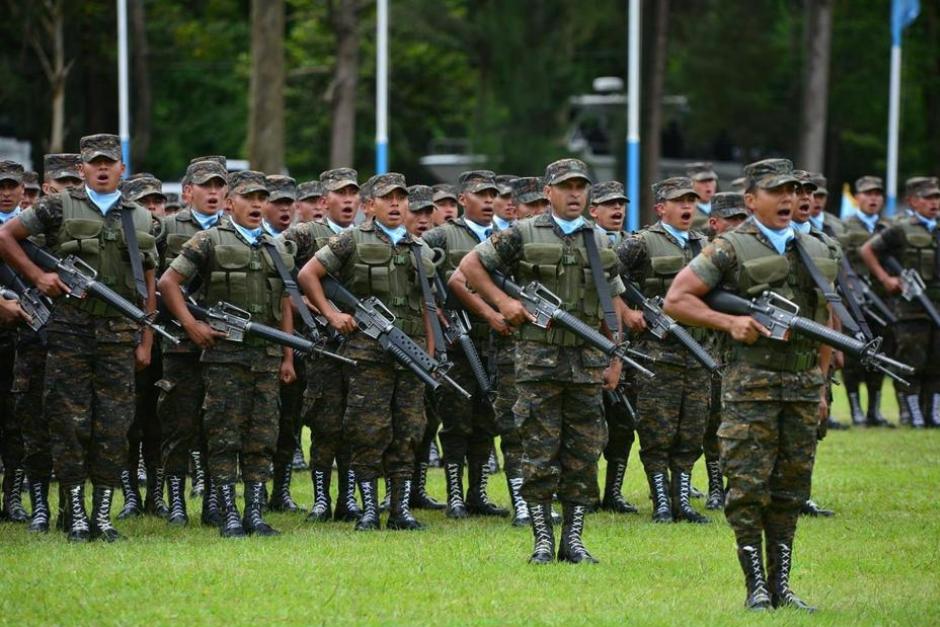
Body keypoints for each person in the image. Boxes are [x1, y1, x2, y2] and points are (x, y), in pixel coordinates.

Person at [664, 158, 835, 611]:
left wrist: (820, 387)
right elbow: (677, 299)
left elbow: (825, 321)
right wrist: (729, 321)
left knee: (790, 488)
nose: (790, 199)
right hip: (750, 389)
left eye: (796, 190)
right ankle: (755, 586)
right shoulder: (730, 248)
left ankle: (782, 586)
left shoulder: (818, 249)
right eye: (778, 191)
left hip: (800, 389)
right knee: (747, 488)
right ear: (751, 199)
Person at [456, 158, 625, 564]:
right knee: (538, 448)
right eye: (566, 186)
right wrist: (503, 303)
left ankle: (575, 539)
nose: (575, 194)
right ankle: (543, 539)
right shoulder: (522, 233)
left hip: (586, 364)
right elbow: (469, 268)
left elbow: (611, 304)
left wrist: (615, 355)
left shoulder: (599, 242)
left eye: (581, 187)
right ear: (548, 192)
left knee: (583, 452)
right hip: (537, 363)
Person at [0, 134, 160, 543]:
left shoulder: (140, 217)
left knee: (114, 424)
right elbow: (6, 237)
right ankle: (74, 514)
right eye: (95, 163)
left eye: (111, 162)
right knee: (69, 423)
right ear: (83, 168)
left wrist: (145, 340)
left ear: (122, 168)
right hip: (70, 330)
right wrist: (38, 277)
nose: (103, 169)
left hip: (119, 334)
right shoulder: (57, 206)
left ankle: (102, 517)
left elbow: (149, 281)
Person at [158, 170, 296, 538]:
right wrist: (191, 325)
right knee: (223, 436)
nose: (256, 205)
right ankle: (227, 512)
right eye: (248, 198)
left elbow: (284, 304)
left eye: (260, 198)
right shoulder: (209, 241)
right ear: (231, 203)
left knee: (262, 437)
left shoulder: (278, 247)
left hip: (265, 359)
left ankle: (254, 512)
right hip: (225, 360)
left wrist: (287, 356)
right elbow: (168, 283)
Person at [298, 172, 434, 532]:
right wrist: (332, 313)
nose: (395, 204)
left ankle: (400, 509)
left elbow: (427, 307)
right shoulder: (350, 240)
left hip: (411, 353)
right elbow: (308, 275)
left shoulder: (420, 250)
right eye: (387, 198)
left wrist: (430, 353)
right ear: (369, 205)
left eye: (401, 198)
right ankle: (370, 508)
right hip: (368, 354)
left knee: (408, 429)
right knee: (367, 430)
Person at [618, 176, 712, 525]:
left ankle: (683, 501)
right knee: (657, 429)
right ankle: (661, 501)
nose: (688, 207)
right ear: (661, 207)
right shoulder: (640, 244)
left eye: (691, 201)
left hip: (697, 351)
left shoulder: (705, 245)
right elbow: (607, 275)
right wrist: (627, 312)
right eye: (679, 201)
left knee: (691, 429)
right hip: (657, 354)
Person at [277, 168, 362, 524]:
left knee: (355, 424)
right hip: (323, 344)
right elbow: (280, 272)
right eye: (339, 194)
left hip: (361, 344)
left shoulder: (365, 236)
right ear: (324, 201)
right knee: (325, 424)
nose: (347, 200)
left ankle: (349, 498)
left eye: (352, 194)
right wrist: (311, 307)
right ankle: (321, 499)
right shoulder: (304, 233)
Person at [422, 171, 509, 520]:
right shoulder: (442, 236)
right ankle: (455, 493)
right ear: (462, 200)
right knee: (457, 421)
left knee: (487, 421)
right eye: (480, 194)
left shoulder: (504, 238)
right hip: (457, 344)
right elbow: (416, 271)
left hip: (495, 343)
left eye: (493, 194)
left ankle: (478, 493)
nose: (489, 201)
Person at [155, 158, 228, 527]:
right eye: (205, 187)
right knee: (178, 425)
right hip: (179, 343)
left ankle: (215, 501)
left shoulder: (236, 231)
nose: (213, 193)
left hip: (224, 347)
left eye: (219, 187)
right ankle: (176, 502)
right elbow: (152, 281)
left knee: (217, 425)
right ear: (188, 192)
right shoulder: (166, 228)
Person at [19, 153, 83, 532]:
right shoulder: (32, 235)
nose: (71, 192)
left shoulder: (83, 234)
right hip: (33, 343)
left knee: (71, 428)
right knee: (34, 427)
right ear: (47, 188)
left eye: (77, 184)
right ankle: (39, 504)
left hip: (75, 341)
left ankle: (69, 508)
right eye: (64, 185)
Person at [860, 176, 940, 429]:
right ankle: (912, 412)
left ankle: (934, 412)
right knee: (910, 360)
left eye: (937, 197)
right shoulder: (901, 228)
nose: (934, 202)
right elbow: (867, 250)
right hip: (911, 308)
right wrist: (886, 279)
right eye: (928, 198)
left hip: (937, 306)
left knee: (937, 361)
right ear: (913, 201)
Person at [115, 175, 169, 521]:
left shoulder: (177, 237)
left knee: (159, 423)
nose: (152, 209)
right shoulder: (124, 237)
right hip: (126, 339)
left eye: (157, 202)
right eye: (144, 203)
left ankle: (157, 495)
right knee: (126, 423)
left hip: (167, 343)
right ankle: (131, 495)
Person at [588, 180, 639, 514]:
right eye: (609, 205)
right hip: (590, 340)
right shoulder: (589, 241)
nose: (617, 210)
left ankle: (614, 492)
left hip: (628, 345)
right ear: (593, 210)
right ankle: (587, 491)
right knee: (589, 423)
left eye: (621, 204)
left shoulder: (634, 244)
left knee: (623, 422)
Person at [700, 192, 748, 512]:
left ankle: (736, 485)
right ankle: (716, 485)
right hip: (710, 351)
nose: (738, 226)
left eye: (743, 219)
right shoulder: (703, 253)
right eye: (732, 220)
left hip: (744, 352)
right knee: (713, 422)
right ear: (715, 222)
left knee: (742, 422)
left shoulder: (751, 253)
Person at [837, 176, 894, 427]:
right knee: (853, 357)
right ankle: (856, 410)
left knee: (881, 355)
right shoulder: (845, 227)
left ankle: (875, 410)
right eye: (868, 194)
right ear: (858, 197)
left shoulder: (888, 227)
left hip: (883, 302)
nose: (873, 198)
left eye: (877, 194)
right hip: (854, 302)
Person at [0, 160, 27, 523]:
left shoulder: (34, 230)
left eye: (11, 186)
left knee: (19, 422)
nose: (6, 193)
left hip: (24, 339)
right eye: (0, 187)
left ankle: (14, 498)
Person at [686, 162, 719, 232]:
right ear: (691, 184)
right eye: (702, 181)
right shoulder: (685, 209)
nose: (708, 185)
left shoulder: (722, 207)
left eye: (710, 180)